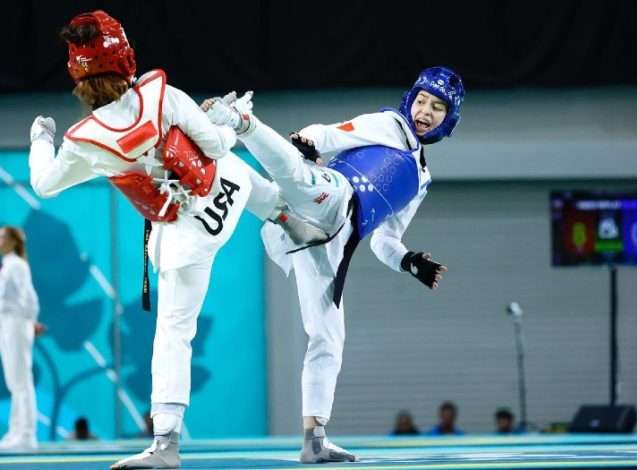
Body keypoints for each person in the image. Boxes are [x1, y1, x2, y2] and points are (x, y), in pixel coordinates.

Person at [28, 10, 321, 469]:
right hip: (225, 195)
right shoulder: (162, 95)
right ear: (126, 58)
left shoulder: (84, 141)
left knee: (174, 334)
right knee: (228, 165)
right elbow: (218, 148)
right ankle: (288, 218)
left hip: (184, 238)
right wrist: (224, 121)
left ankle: (166, 443)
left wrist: (41, 139)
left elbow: (45, 184)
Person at [202, 66, 464, 463]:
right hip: (333, 196)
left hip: (330, 244)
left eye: (437, 107)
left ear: (449, 119)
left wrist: (409, 262)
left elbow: (385, 242)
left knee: (328, 337)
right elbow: (327, 133)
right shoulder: (389, 125)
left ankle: (315, 440)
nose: (425, 111)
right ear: (410, 100)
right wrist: (307, 142)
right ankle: (237, 120)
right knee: (295, 177)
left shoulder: (421, 180)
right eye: (422, 101)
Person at [0, 227, 43, 451]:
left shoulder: (16, 265)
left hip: (16, 322)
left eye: (2, 237)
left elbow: (28, 296)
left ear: (13, 241)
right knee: (13, 380)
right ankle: (16, 431)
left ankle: (26, 434)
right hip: (8, 322)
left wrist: (30, 320)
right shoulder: (8, 264)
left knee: (21, 379)